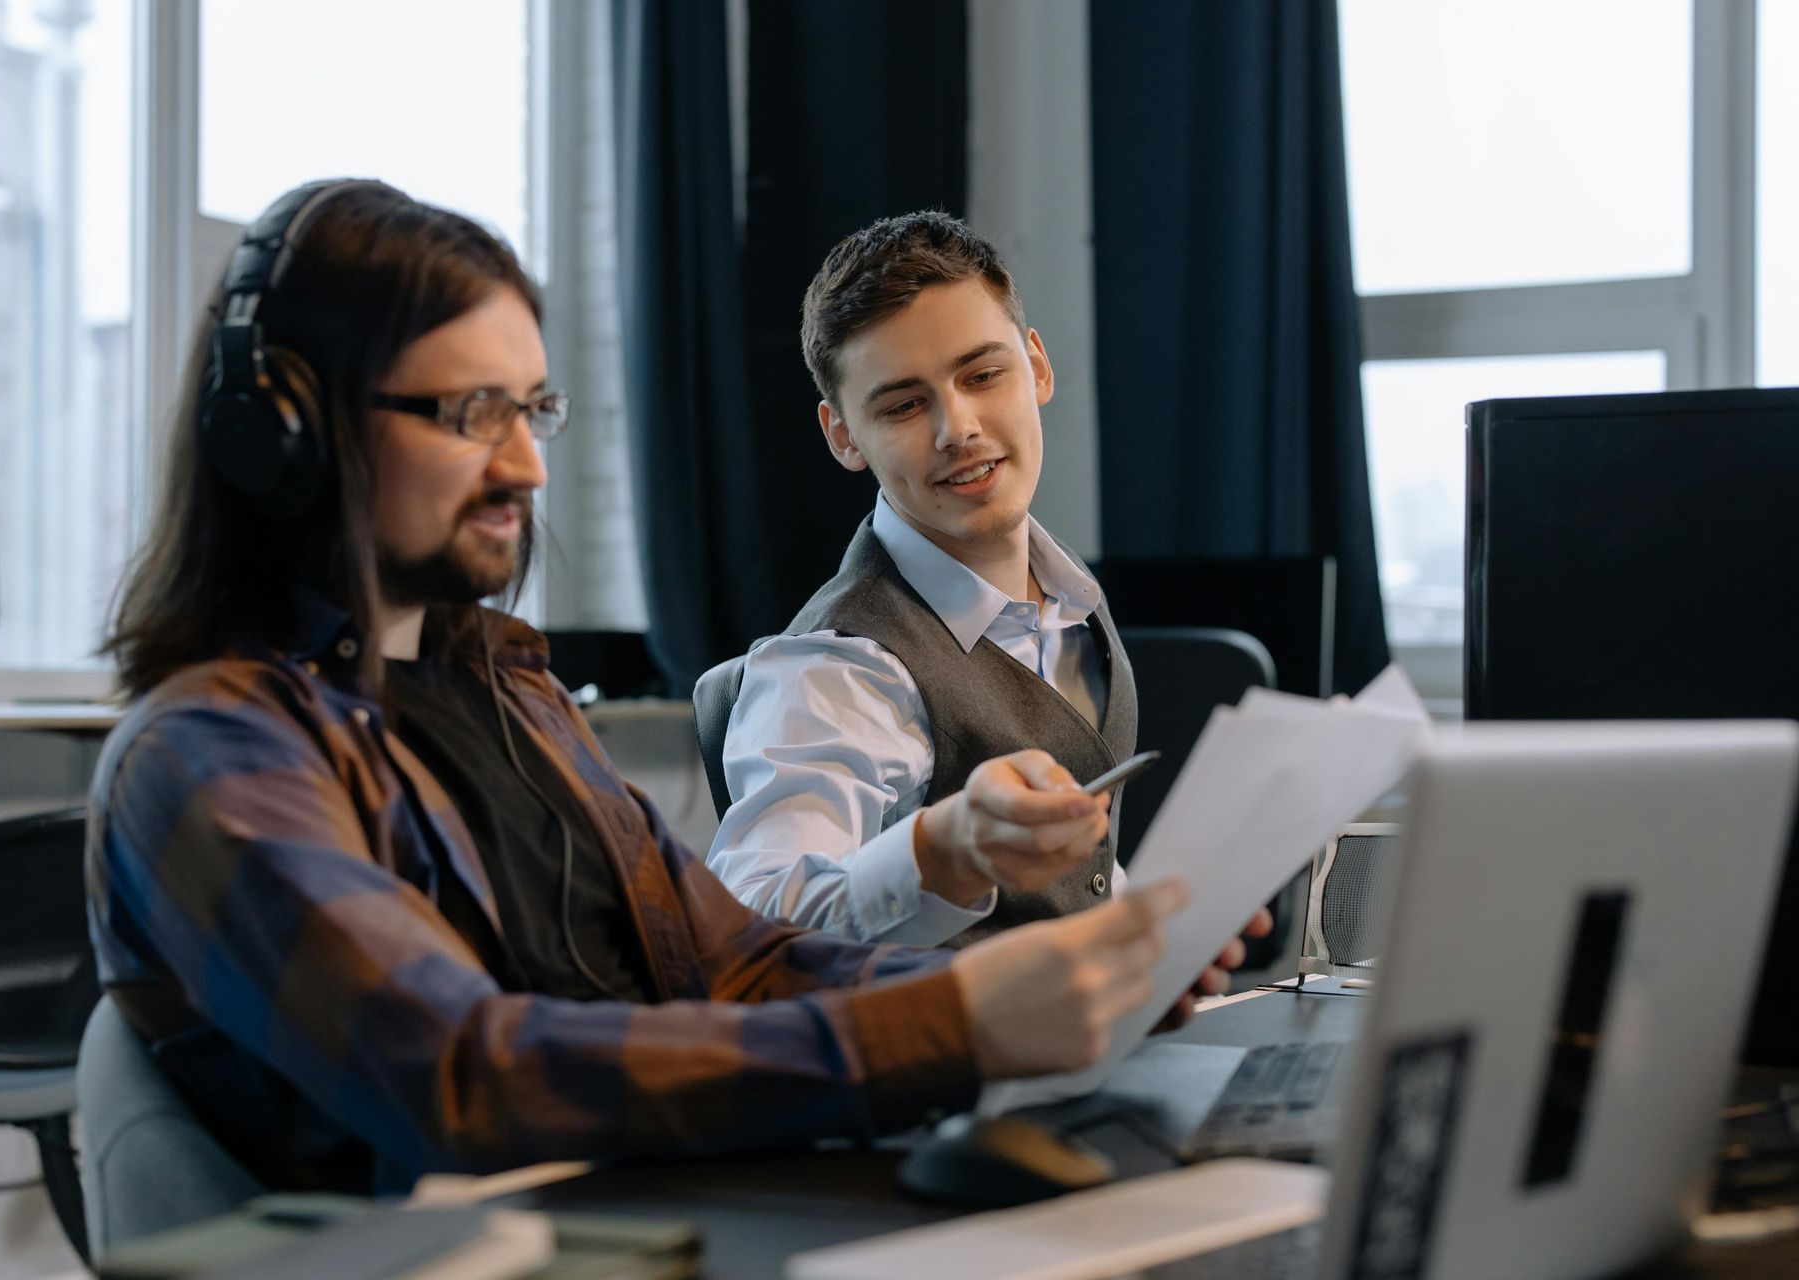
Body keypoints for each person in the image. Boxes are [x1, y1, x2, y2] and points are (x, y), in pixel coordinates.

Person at [85, 180, 1197, 1195]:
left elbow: (731, 958)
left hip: (642, 1216)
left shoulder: (509, 699)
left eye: (533, 411)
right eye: (473, 414)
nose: (524, 464)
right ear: (284, 433)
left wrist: (1052, 981)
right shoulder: (212, 752)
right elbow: (464, 1071)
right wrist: (951, 1027)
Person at [709, 213, 1269, 962]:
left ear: (1036, 367)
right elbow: (752, 926)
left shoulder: (1070, 601)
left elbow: (1069, 889)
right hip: (939, 1074)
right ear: (843, 435)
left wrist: (1153, 931)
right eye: (904, 404)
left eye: (982, 375)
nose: (957, 427)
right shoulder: (835, 668)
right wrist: (946, 851)